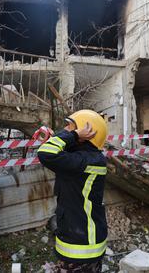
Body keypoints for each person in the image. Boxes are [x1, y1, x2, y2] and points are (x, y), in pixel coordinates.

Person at [37, 109, 108, 272]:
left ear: (87, 133)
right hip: (77, 237)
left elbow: (45, 154)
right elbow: (55, 153)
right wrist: (60, 137)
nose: (67, 131)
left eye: (71, 128)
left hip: (83, 246)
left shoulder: (88, 161)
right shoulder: (85, 157)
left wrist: (73, 136)